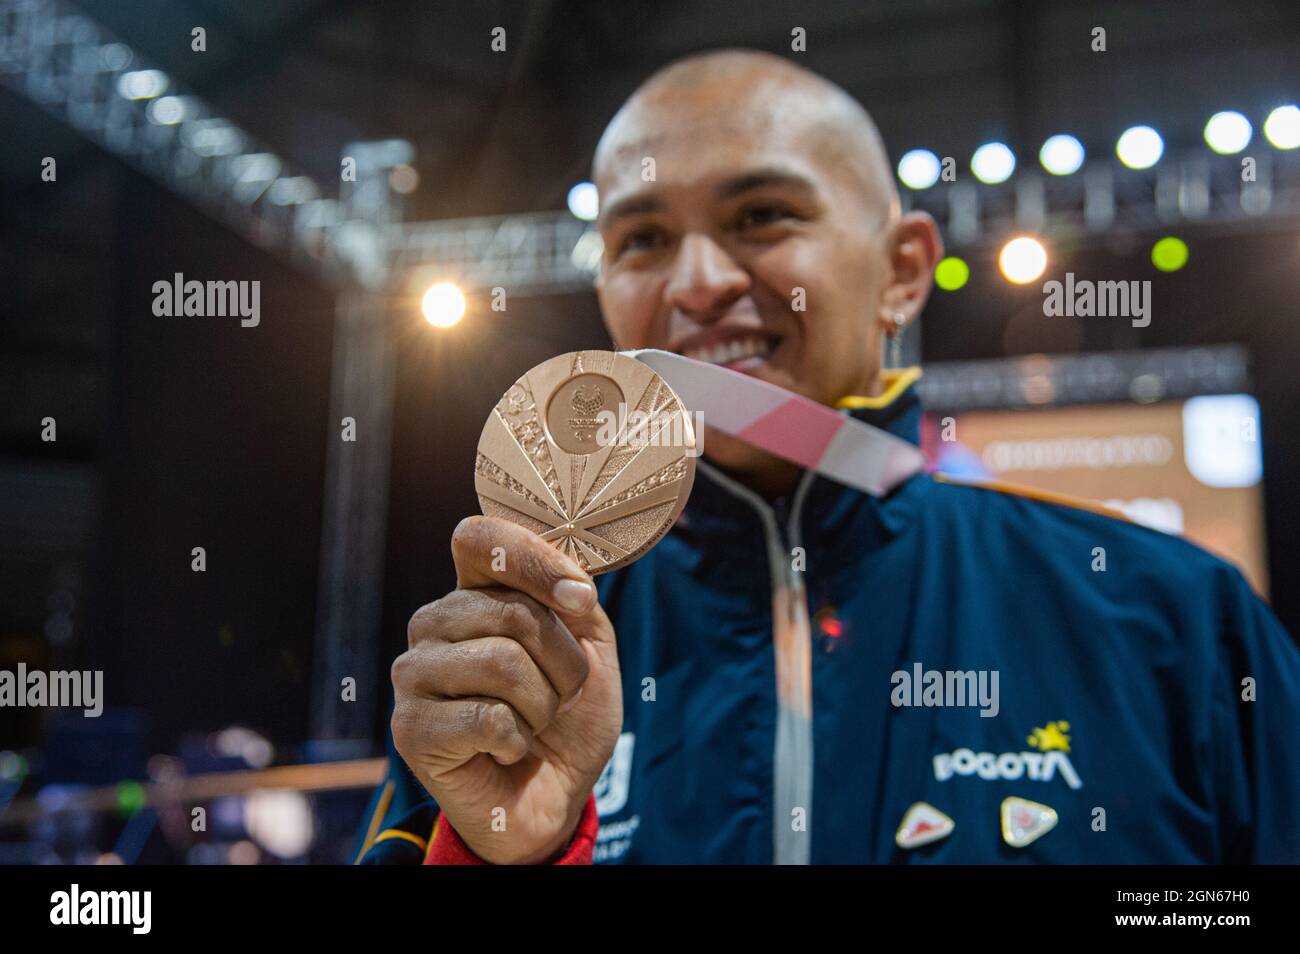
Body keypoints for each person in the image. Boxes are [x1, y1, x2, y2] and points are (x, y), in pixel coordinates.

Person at [355, 48, 1300, 864]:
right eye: (642, 238)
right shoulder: (515, 661)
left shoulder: (1174, 624)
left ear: (902, 272)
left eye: (761, 216)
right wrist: (511, 857)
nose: (698, 284)